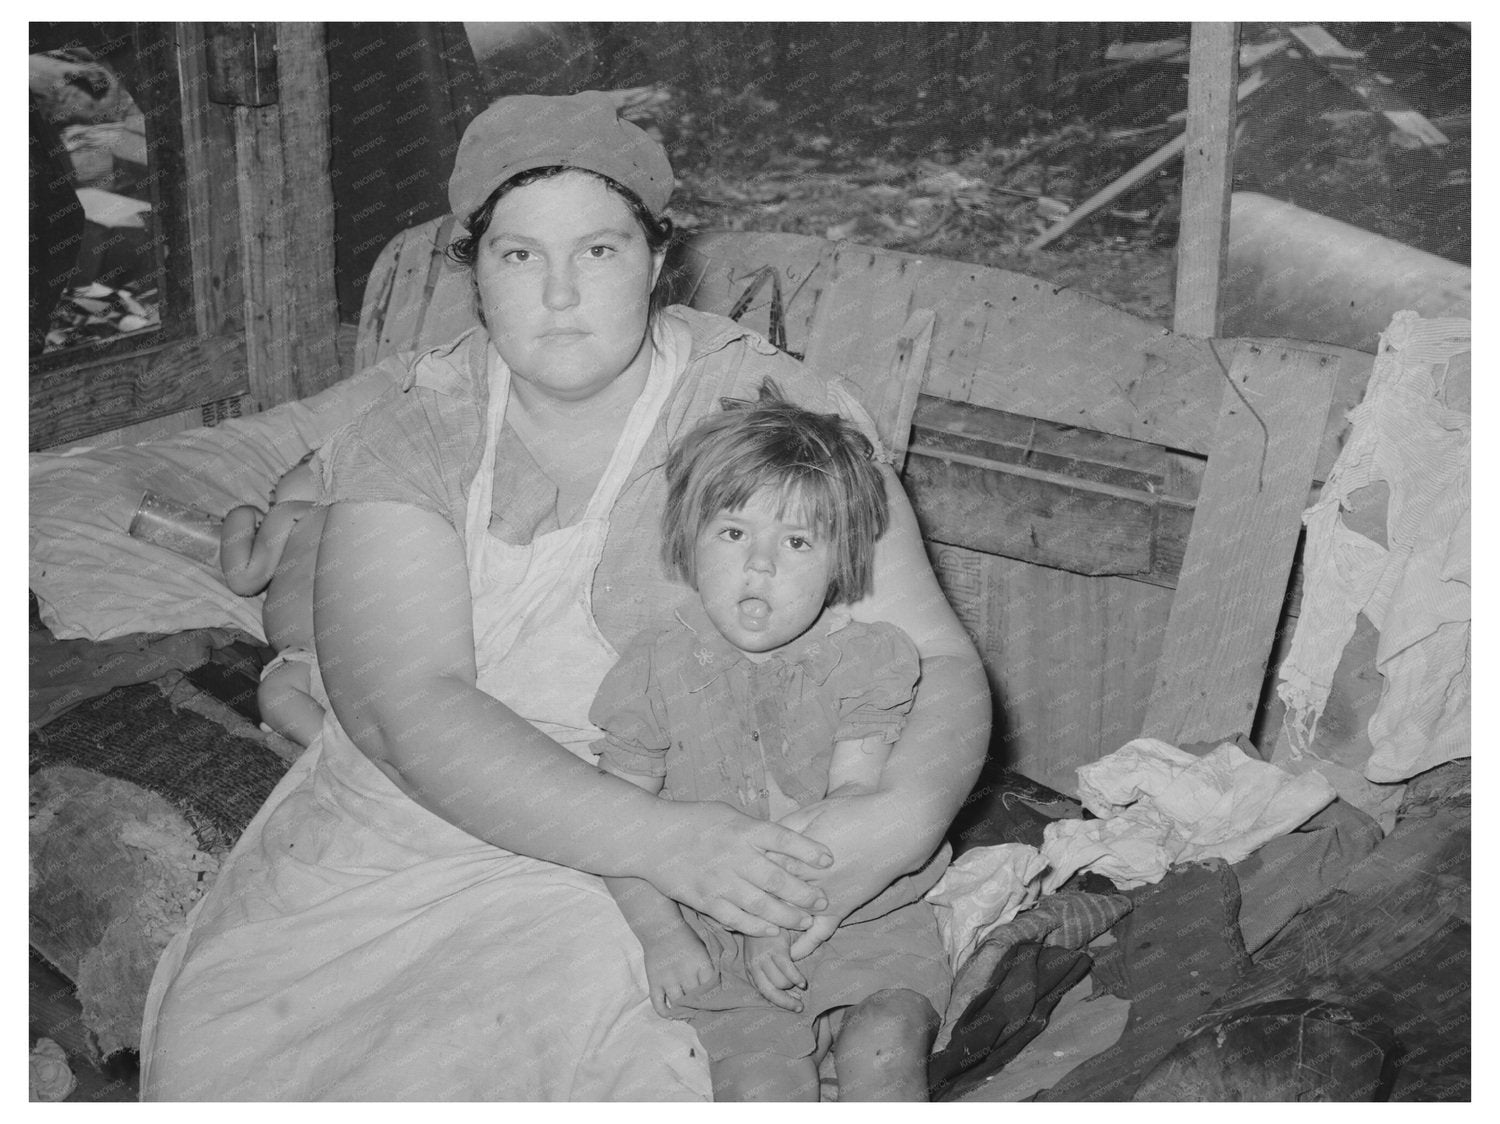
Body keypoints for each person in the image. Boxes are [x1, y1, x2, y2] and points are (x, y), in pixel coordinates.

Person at [139, 91, 988, 1101]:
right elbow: (405, 707)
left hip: (670, 839)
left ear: (658, 259)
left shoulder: (771, 414)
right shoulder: (413, 434)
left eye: (598, 251)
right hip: (424, 817)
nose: (559, 294)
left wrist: (895, 817)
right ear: (472, 273)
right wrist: (664, 842)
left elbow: (930, 652)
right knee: (227, 1061)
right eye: (518, 255)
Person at [593, 382, 950, 1100]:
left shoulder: (865, 660)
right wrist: (665, 938)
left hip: (853, 908)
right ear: (686, 542)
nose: (761, 566)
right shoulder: (653, 669)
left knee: (885, 1044)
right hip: (719, 935)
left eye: (795, 542)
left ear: (840, 563)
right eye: (733, 534)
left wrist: (781, 925)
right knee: (759, 1087)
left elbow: (850, 810)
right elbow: (613, 824)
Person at [219, 453, 328, 748]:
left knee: (277, 693)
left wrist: (239, 517)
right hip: (377, 660)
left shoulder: (293, 513)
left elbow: (243, 578)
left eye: (290, 470)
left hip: (310, 659)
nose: (271, 490)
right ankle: (350, 752)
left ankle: (330, 748)